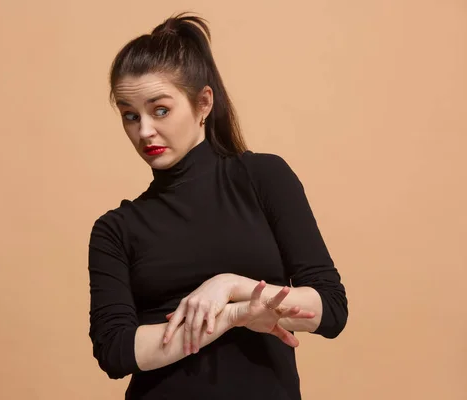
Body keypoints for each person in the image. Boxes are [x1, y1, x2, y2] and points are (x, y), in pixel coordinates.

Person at [87, 12, 348, 400]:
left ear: (203, 103)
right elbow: (116, 351)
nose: (144, 131)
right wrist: (229, 317)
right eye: (130, 115)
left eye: (160, 110)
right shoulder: (116, 229)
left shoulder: (263, 178)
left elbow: (330, 308)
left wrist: (229, 286)